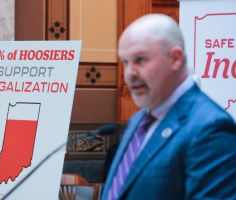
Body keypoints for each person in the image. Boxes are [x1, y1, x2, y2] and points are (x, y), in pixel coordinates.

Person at [101, 14, 236, 200]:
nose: (130, 73)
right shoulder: (138, 121)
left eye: (140, 59)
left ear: (175, 59)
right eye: (125, 62)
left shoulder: (210, 128)